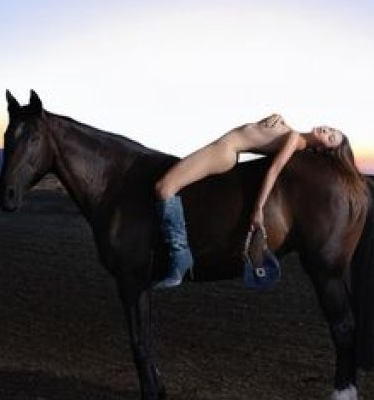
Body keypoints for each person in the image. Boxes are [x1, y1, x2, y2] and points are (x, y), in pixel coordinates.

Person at [152, 113, 357, 289]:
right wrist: (277, 116)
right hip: (223, 148)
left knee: (165, 188)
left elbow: (274, 170)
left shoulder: (295, 139)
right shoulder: (294, 133)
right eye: (331, 129)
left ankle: (180, 254)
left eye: (331, 137)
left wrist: (258, 208)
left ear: (322, 149)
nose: (327, 131)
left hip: (224, 151)